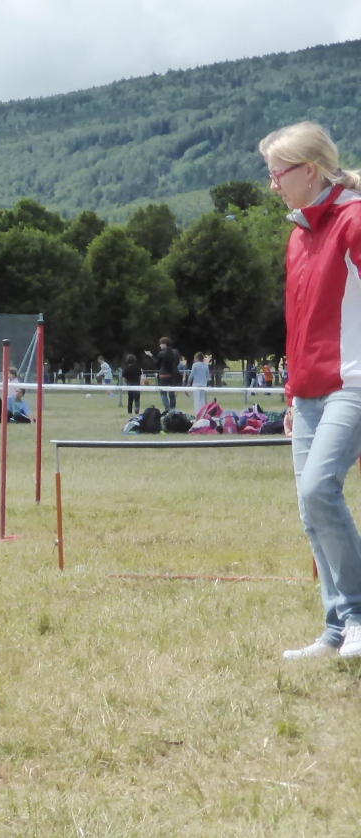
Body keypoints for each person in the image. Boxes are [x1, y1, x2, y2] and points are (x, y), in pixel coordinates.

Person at [260, 121, 361, 659]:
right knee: (309, 509)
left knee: (320, 490)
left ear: (311, 170)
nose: (273, 184)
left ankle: (359, 615)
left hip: (352, 384)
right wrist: (292, 393)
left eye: (278, 173)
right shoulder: (298, 234)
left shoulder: (355, 221)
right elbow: (298, 321)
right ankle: (335, 629)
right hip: (307, 393)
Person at [145, 337, 180, 409]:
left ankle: (167, 408)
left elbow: (157, 364)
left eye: (161, 344)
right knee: (172, 393)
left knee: (163, 393)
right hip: (172, 374)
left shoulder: (161, 353)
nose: (160, 345)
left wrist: (151, 356)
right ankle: (173, 408)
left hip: (163, 374)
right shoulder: (175, 352)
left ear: (165, 344)